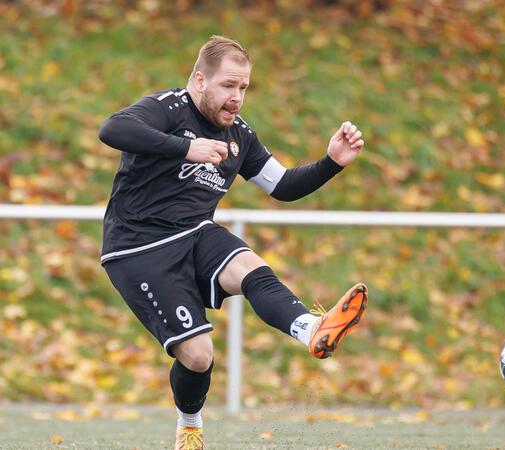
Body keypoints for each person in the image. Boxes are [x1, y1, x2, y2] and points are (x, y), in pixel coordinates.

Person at [98, 35, 368, 450]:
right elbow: (113, 128)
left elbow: (282, 186)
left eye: (243, 88)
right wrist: (186, 148)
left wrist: (331, 163)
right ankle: (190, 424)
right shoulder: (169, 108)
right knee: (199, 356)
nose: (237, 97)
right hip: (138, 247)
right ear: (200, 80)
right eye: (228, 86)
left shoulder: (239, 135)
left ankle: (310, 328)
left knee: (248, 266)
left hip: (195, 233)